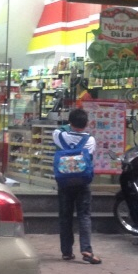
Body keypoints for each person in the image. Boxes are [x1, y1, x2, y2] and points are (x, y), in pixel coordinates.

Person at [52, 108, 101, 264]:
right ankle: (86, 249)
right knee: (84, 215)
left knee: (65, 216)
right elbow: (89, 156)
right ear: (86, 124)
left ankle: (66, 252)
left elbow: (60, 132)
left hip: (64, 181)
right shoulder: (90, 140)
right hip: (82, 182)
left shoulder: (59, 134)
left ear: (70, 122)